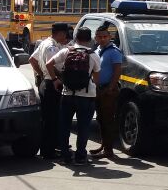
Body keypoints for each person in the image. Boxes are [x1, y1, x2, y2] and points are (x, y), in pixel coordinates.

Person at [46, 27, 101, 166]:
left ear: (75, 37)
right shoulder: (93, 55)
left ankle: (65, 156)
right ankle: (81, 157)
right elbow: (96, 78)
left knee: (64, 126)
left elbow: (49, 64)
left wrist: (55, 80)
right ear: (90, 40)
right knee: (84, 127)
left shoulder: (66, 51)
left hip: (67, 94)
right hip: (87, 96)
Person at [29, 23, 70, 159]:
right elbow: (54, 67)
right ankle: (48, 151)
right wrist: (55, 78)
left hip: (46, 82)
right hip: (53, 84)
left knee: (48, 118)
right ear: (61, 33)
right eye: (65, 34)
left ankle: (48, 148)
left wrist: (42, 75)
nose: (66, 37)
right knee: (51, 119)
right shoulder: (52, 47)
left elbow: (32, 60)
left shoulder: (44, 43)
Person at [90, 25, 123, 159]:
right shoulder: (97, 50)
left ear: (109, 37)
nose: (102, 39)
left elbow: (117, 71)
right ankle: (104, 146)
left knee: (108, 120)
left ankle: (109, 150)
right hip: (97, 90)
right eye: (100, 37)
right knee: (100, 119)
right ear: (96, 38)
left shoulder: (114, 51)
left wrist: (110, 88)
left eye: (105, 37)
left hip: (108, 90)